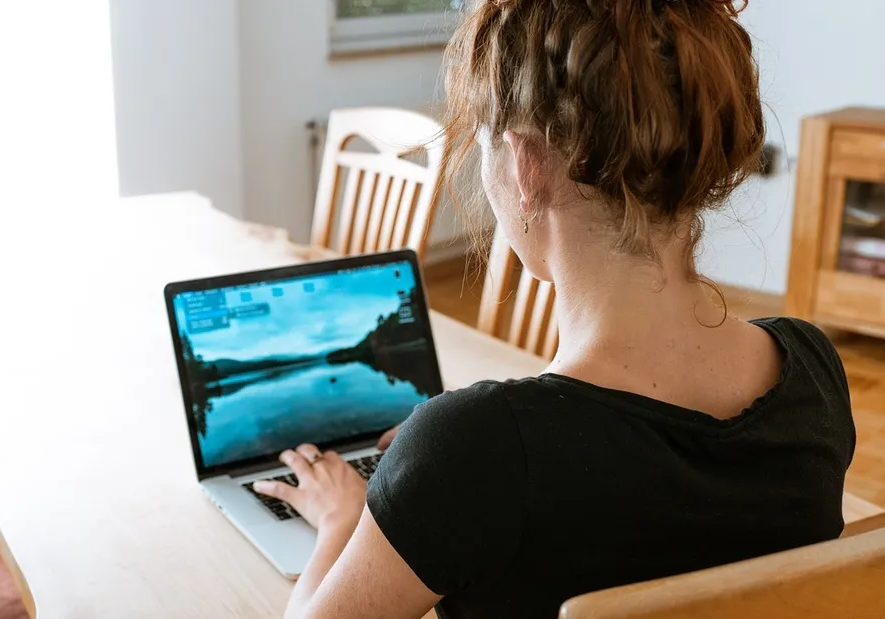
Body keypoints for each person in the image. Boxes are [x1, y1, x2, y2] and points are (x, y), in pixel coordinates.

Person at [253, 1, 854, 617]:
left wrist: (344, 518)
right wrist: (433, 469)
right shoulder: (813, 370)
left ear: (526, 165)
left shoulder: (476, 450)